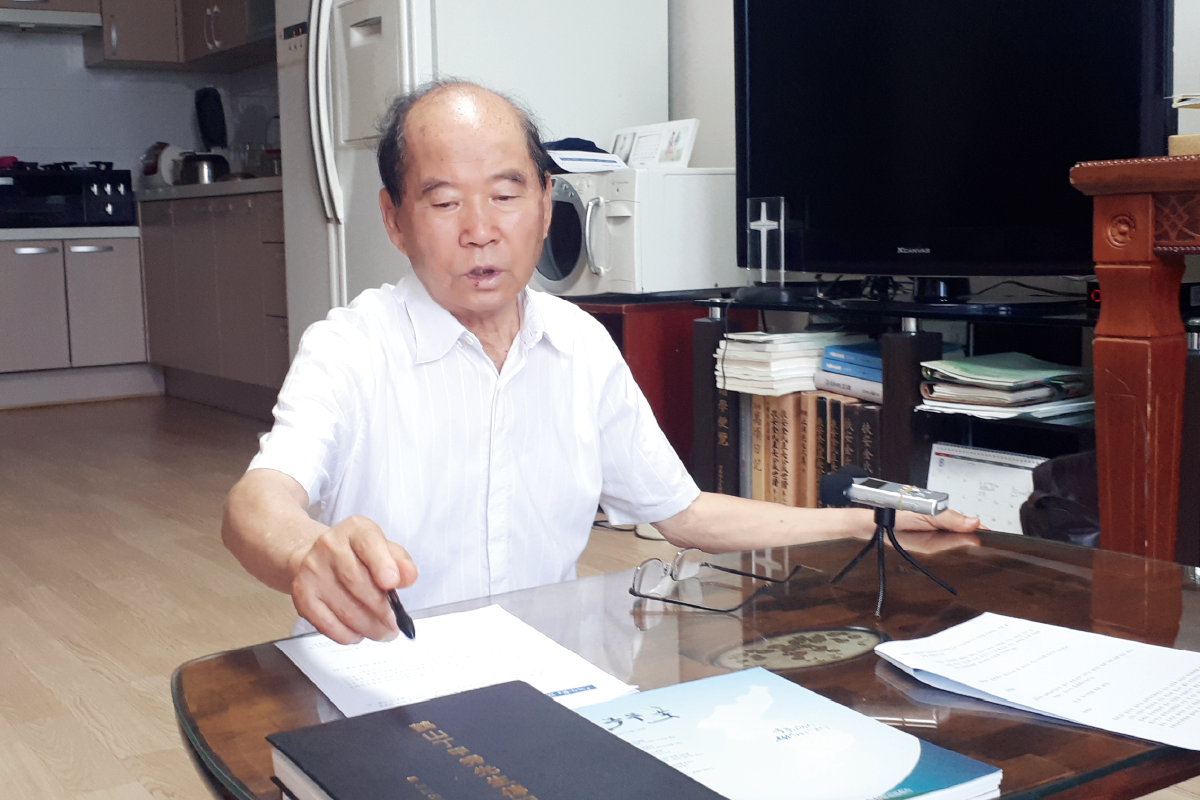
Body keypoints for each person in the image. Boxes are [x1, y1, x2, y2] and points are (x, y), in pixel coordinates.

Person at [221, 80, 981, 646]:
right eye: (445, 202)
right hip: (384, 678)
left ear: (546, 203)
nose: (481, 230)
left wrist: (865, 521)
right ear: (394, 220)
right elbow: (256, 505)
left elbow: (684, 514)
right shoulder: (351, 347)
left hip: (536, 674)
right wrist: (307, 552)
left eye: (506, 195)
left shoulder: (580, 345)